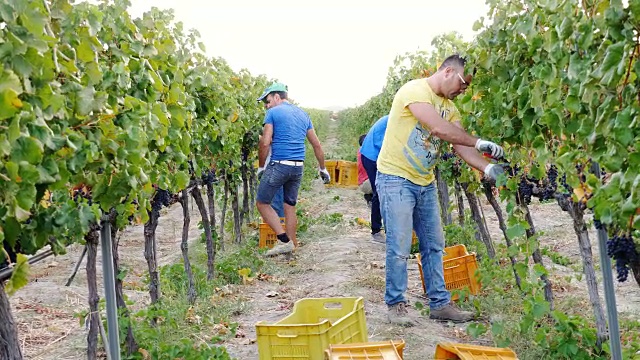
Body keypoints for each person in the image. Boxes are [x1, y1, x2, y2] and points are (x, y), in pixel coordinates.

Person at [376, 54, 505, 325]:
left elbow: (461, 145)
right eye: (462, 84)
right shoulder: (414, 91)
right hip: (396, 178)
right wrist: (479, 140)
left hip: (424, 182)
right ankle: (396, 305)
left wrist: (487, 168)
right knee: (399, 246)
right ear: (448, 72)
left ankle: (440, 304)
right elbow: (438, 128)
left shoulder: (451, 107)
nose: (463, 91)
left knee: (434, 246)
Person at [256, 82, 330, 256]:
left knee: (262, 203)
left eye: (268, 101)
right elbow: (316, 144)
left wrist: (261, 166)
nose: (267, 105)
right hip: (298, 167)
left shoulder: (272, 113)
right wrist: (322, 168)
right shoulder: (303, 114)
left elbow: (265, 142)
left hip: (279, 164)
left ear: (277, 97)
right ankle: (293, 244)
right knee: (289, 206)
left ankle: (283, 240)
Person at [359, 115, 389, 243]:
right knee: (380, 191)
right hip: (372, 156)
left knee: (386, 191)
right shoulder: (396, 118)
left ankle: (388, 228)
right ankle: (376, 230)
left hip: (379, 154)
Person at [356, 134, 373, 208]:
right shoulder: (371, 152)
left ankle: (369, 197)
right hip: (369, 183)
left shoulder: (360, 151)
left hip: (361, 183)